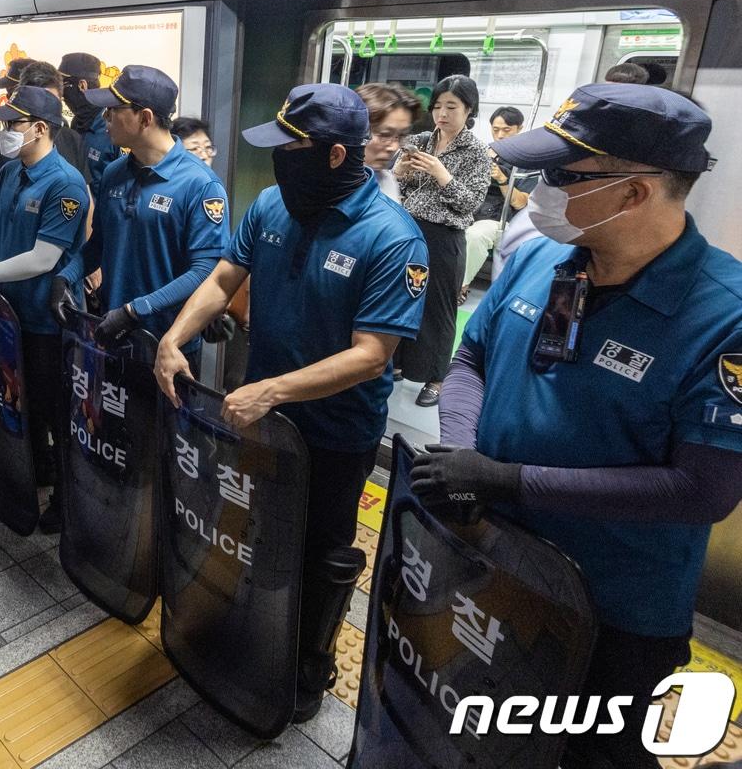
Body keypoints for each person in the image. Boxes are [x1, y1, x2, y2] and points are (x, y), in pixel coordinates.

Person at [412, 84, 742, 769]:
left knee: (599, 757)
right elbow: (472, 354)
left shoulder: (724, 317)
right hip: (497, 563)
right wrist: (468, 454)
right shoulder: (541, 259)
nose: (539, 190)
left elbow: (702, 490)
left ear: (634, 193)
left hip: (614, 610)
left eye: (565, 176)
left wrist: (511, 480)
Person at [154, 83, 428, 723]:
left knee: (322, 552)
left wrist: (272, 388)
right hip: (262, 419)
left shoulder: (392, 237)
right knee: (257, 533)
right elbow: (224, 279)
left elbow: (371, 354)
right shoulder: (272, 204)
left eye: (290, 148)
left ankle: (310, 661)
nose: (276, 160)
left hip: (334, 430)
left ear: (335, 156)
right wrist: (173, 338)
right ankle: (256, 628)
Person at [0, 86, 90, 532]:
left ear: (40, 129)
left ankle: (68, 503)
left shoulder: (66, 184)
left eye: (13, 124)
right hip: (9, 317)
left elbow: (44, 258)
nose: (4, 132)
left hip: (47, 322)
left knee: (55, 412)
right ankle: (39, 472)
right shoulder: (12, 171)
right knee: (20, 403)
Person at [71, 65, 228, 375]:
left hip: (168, 345)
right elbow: (99, 243)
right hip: (112, 332)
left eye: (114, 110)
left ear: (144, 117)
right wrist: (66, 276)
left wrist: (135, 310)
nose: (105, 118)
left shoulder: (200, 184)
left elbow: (206, 269)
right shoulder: (116, 171)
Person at [393, 74, 492, 406]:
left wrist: (441, 174)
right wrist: (401, 171)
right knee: (400, 299)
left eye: (452, 106)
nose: (442, 114)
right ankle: (397, 362)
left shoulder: (477, 151)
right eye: (437, 106)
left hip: (444, 236)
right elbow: (399, 187)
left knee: (439, 308)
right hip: (407, 230)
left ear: (469, 109)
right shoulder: (421, 140)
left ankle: (436, 377)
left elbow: (470, 203)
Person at [0, 60, 92, 251]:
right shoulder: (2, 156)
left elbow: (87, 203)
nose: (47, 109)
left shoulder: (71, 149)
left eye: (52, 100)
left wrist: (86, 260)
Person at [460, 106, 536, 301]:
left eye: (506, 130)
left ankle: (460, 286)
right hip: (473, 210)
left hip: (502, 219)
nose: (500, 135)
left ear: (519, 128)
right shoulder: (483, 152)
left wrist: (502, 179)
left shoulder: (529, 160)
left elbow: (520, 203)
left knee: (476, 234)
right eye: (495, 129)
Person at [59, 52, 120, 194]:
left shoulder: (113, 126)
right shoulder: (75, 123)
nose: (62, 95)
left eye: (64, 86)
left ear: (82, 85)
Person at [355, 82, 421, 202]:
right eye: (384, 135)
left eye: (401, 136)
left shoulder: (387, 181)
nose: (394, 147)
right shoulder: (325, 186)